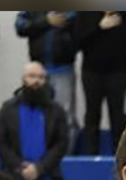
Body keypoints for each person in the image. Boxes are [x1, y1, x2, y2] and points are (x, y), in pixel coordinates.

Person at [74, 11, 126, 156]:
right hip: (92, 71)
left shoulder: (125, 13)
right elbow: (77, 40)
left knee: (117, 114)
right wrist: (99, 27)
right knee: (92, 114)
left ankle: (118, 155)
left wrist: (118, 30)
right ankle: (91, 155)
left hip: (118, 71)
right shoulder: (86, 13)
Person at [15, 12, 79, 149]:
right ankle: (37, 157)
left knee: (66, 115)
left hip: (63, 67)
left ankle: (66, 157)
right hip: (38, 69)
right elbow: (20, 27)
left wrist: (62, 19)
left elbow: (78, 18)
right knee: (35, 115)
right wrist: (46, 21)